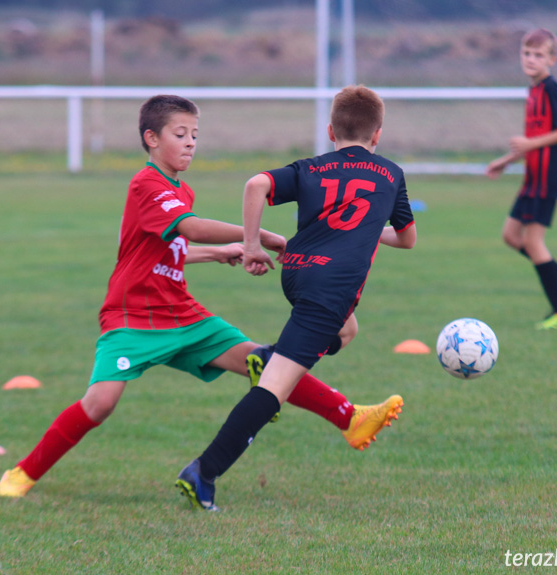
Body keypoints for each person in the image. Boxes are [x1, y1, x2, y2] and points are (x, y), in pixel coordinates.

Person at [0, 94, 398, 498]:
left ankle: (349, 416)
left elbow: (170, 250)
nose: (190, 142)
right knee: (100, 403)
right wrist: (259, 237)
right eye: (180, 134)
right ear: (151, 139)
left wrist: (221, 252)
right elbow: (192, 230)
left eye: (195, 135)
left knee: (262, 361)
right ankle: (24, 472)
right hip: (132, 315)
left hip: (182, 313)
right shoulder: (146, 183)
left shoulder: (178, 189)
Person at [176, 85, 415, 511]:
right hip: (331, 288)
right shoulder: (391, 174)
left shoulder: (311, 167)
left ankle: (272, 358)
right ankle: (204, 471)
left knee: (348, 328)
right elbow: (406, 239)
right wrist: (366, 227)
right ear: (378, 135)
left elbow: (255, 184)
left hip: (296, 272)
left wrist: (252, 245)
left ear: (329, 130)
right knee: (274, 387)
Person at [486, 28, 557, 331]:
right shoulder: (533, 91)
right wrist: (505, 161)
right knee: (510, 236)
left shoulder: (550, 88)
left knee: (532, 241)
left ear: (552, 59)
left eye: (538, 55)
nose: (531, 59)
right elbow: (533, 139)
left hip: (546, 177)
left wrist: (530, 145)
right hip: (532, 177)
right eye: (527, 54)